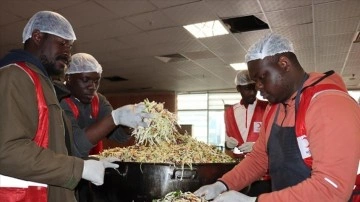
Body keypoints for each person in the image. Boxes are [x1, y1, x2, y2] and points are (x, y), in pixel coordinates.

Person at [195, 33, 360, 201]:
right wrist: (221, 185)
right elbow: (259, 159)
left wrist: (254, 201)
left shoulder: (329, 104)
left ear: (284, 64)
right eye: (255, 81)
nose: (258, 87)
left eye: (262, 78)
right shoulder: (274, 108)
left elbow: (331, 188)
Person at [0, 11, 124, 202]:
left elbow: (53, 150)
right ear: (38, 36)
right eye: (62, 43)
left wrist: (88, 163)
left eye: (70, 46)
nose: (68, 53)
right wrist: (78, 169)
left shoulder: (42, 84)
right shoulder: (16, 77)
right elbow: (7, 152)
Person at [60, 52, 149, 158]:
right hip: (64, 166)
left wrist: (130, 123)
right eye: (85, 80)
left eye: (96, 81)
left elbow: (118, 136)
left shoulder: (98, 100)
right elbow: (76, 144)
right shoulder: (60, 101)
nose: (92, 87)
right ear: (69, 78)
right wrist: (115, 118)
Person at [224, 70, 269, 196]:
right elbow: (228, 150)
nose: (252, 93)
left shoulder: (267, 107)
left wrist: (257, 145)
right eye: (247, 89)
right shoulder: (230, 112)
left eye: (254, 88)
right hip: (240, 174)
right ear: (238, 88)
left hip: (263, 176)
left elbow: (277, 142)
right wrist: (227, 145)